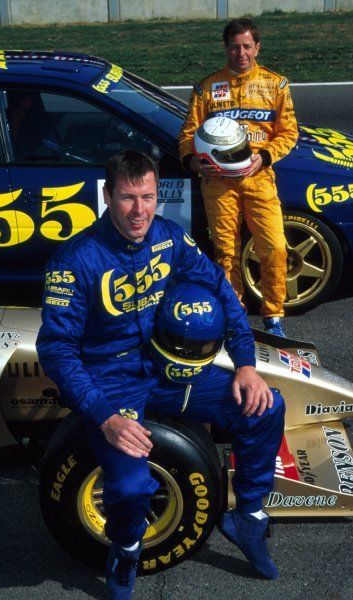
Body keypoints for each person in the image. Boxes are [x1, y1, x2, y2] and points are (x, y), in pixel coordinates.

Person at [36, 150, 285, 599]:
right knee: (130, 487)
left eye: (148, 197)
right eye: (129, 198)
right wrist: (105, 417)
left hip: (168, 370)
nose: (140, 211)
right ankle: (127, 549)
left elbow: (222, 292)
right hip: (110, 385)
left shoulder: (170, 238)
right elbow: (56, 350)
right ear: (107, 196)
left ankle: (247, 518)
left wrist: (245, 362)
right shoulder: (74, 260)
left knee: (265, 409)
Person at [179, 18, 298, 337]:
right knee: (226, 251)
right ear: (226, 48)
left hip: (258, 177)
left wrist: (264, 157)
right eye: (235, 46)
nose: (241, 52)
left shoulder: (276, 85)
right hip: (217, 181)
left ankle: (273, 315)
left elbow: (288, 132)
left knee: (273, 247)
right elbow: (188, 134)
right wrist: (192, 162)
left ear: (257, 47)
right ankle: (234, 314)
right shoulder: (206, 88)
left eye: (247, 46)